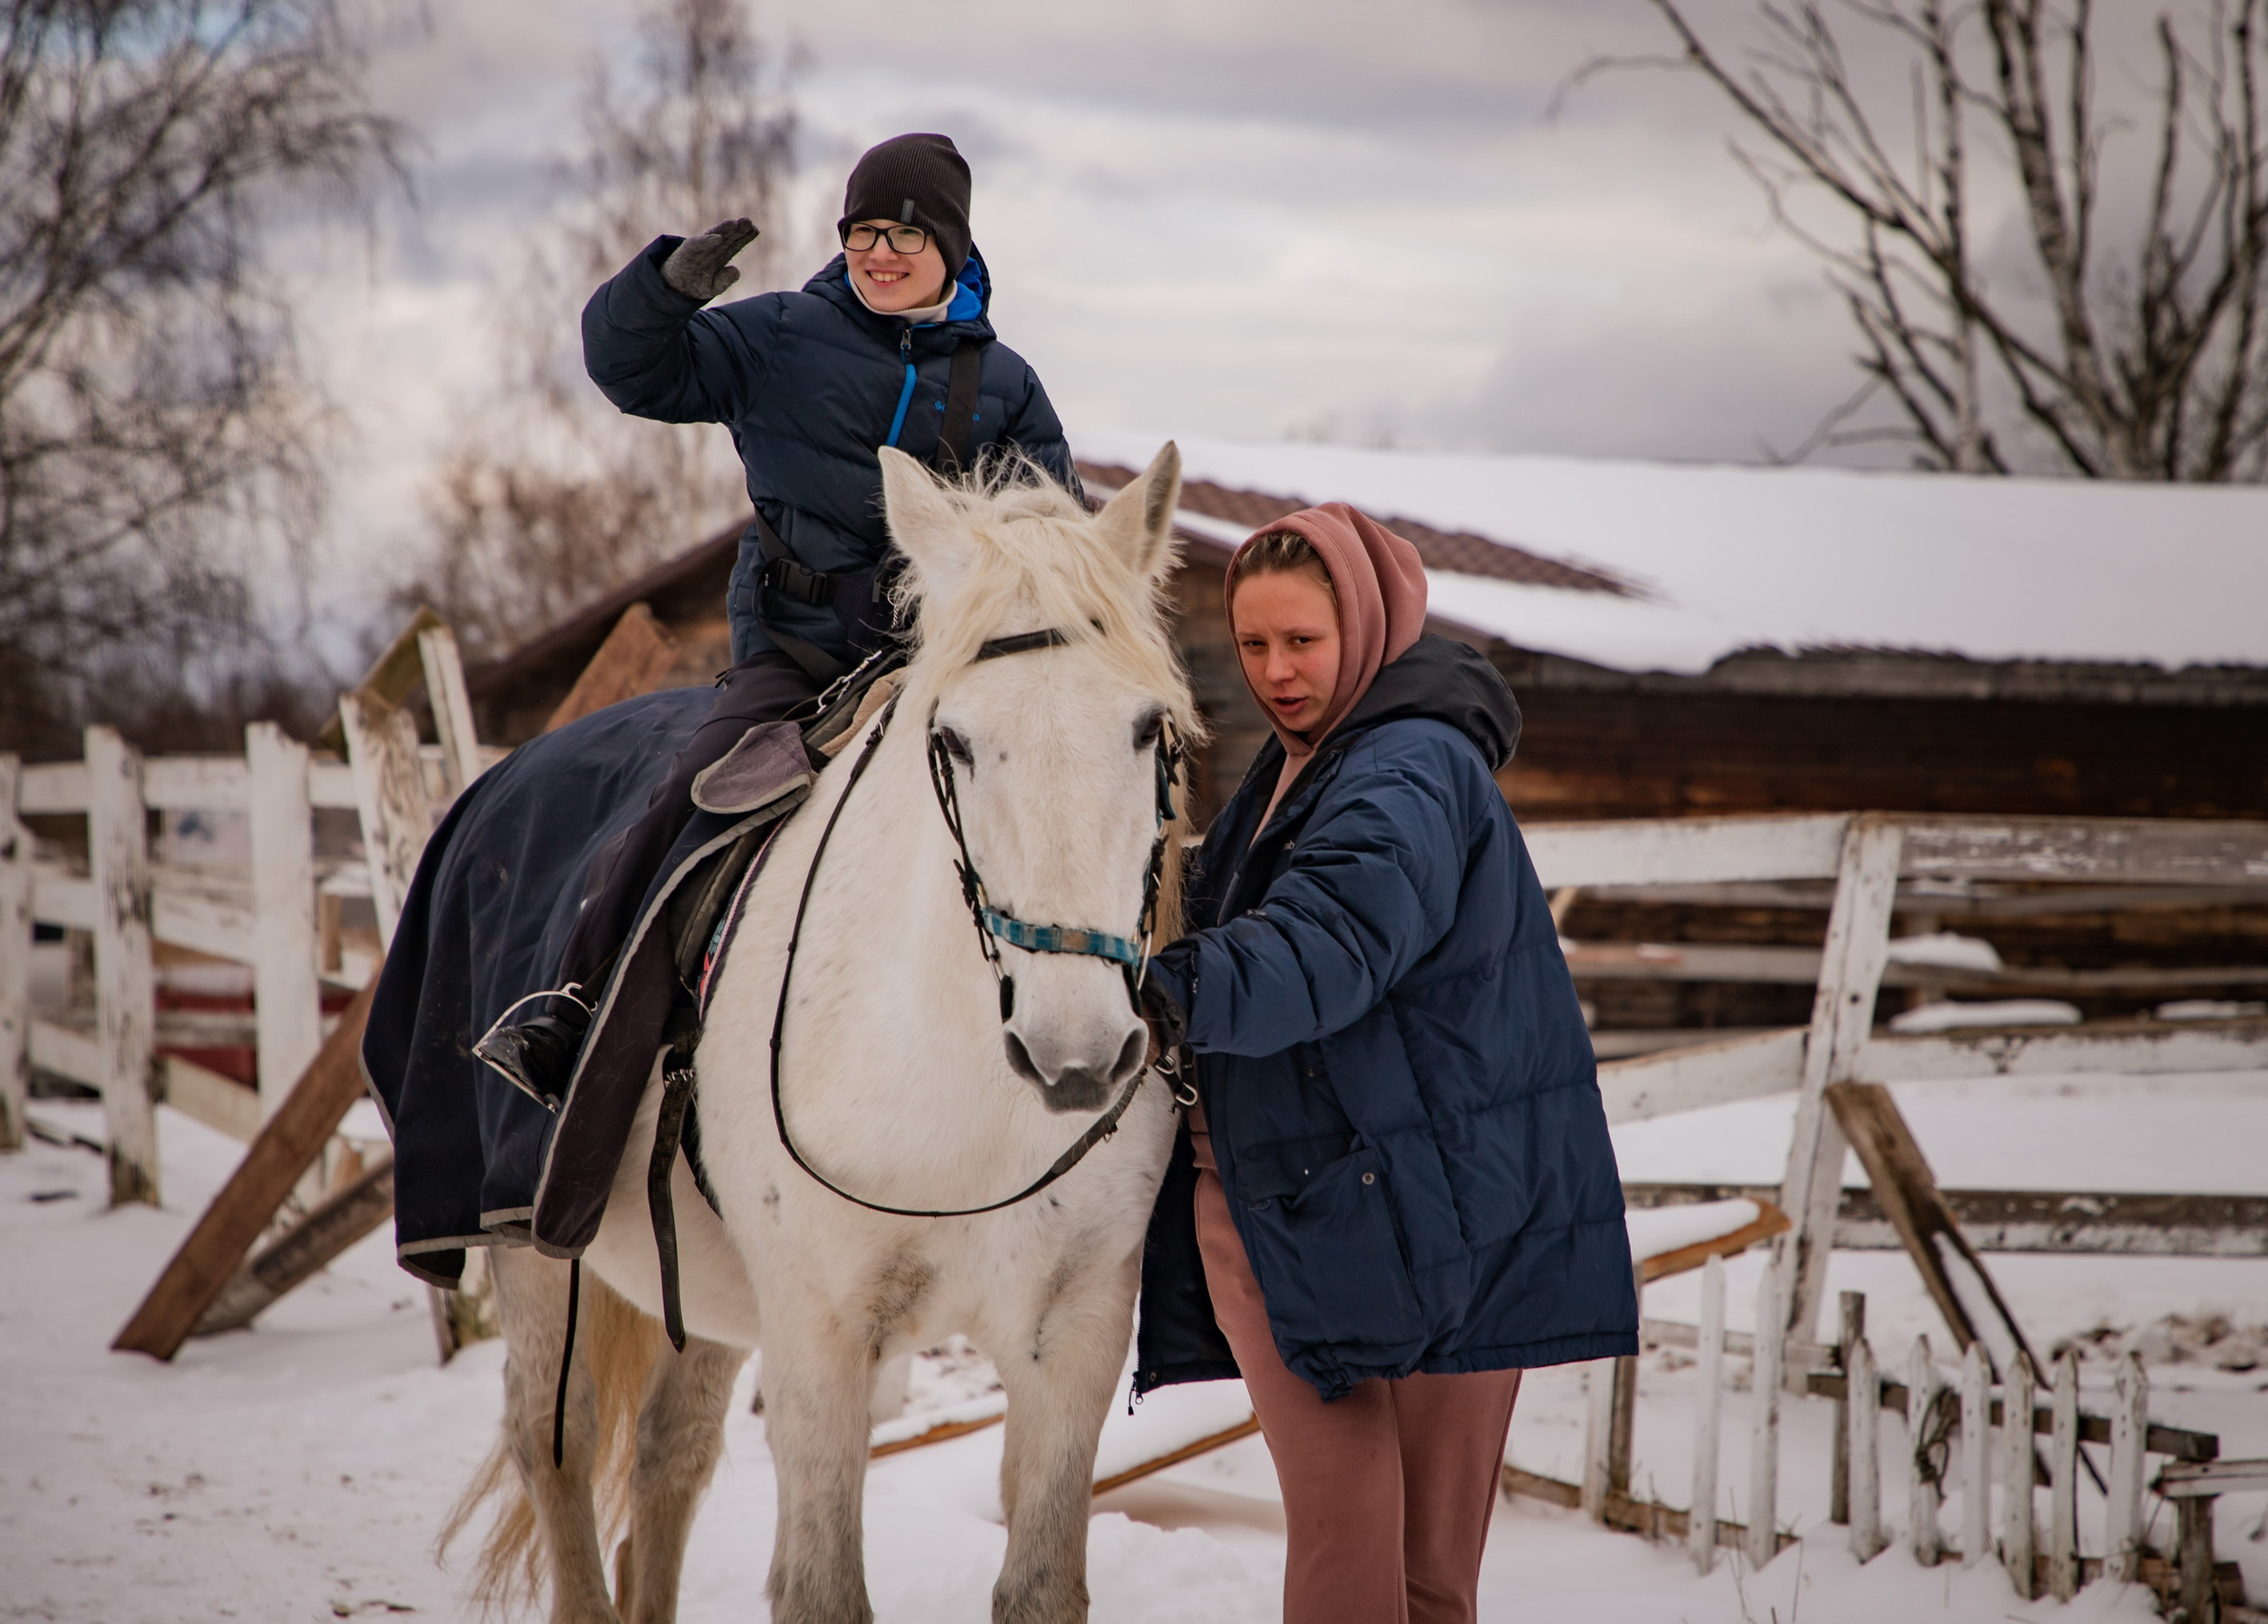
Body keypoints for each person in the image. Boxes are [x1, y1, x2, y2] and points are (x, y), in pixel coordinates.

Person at [475, 132, 1074, 1099]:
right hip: (797, 655)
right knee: (688, 794)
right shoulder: (781, 335)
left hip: (936, 665)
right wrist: (663, 291)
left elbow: (1052, 531)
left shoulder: (1005, 386)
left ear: (953, 252)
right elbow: (636, 373)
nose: (880, 253)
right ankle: (573, 1004)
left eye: (906, 237)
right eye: (865, 231)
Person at [1133, 505, 1641, 1624]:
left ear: (1361, 625)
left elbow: (1338, 938)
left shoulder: (1398, 766)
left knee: (1355, 1548)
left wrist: (1159, 988)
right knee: (1412, 1569)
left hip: (1347, 1197)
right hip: (1417, 1192)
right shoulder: (1328, 756)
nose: (1274, 671)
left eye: (1301, 641)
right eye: (1251, 644)